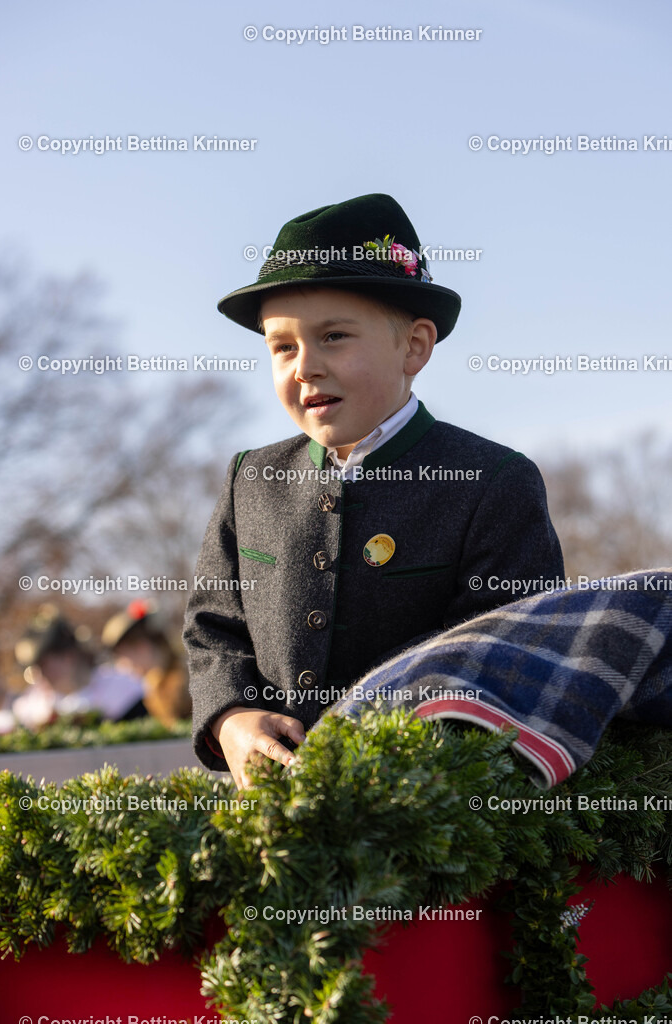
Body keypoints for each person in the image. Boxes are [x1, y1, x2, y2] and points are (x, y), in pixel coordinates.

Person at [183, 193, 564, 787]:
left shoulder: (493, 482)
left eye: (334, 336)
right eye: (282, 346)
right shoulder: (249, 481)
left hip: (434, 813)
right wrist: (234, 718)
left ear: (414, 346)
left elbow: (507, 653)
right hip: (271, 817)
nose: (304, 365)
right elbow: (213, 629)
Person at [101, 600, 191, 726]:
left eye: (123, 656)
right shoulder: (155, 683)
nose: (122, 666)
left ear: (142, 648)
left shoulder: (180, 682)